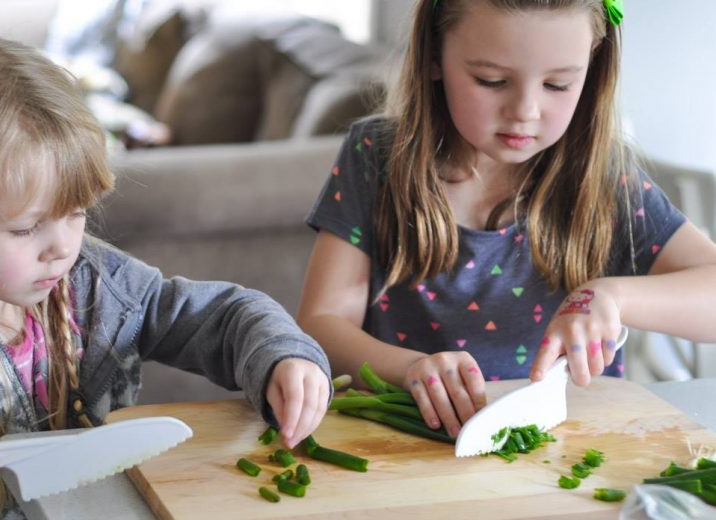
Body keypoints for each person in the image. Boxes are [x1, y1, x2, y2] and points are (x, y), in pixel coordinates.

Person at [0, 35, 331, 519]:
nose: (63, 246)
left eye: (77, 212)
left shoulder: (94, 282)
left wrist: (280, 352)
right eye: (26, 228)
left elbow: (219, 315)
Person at [298, 0, 716, 440]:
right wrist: (410, 369)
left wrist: (613, 297)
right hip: (405, 447)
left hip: (568, 449)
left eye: (558, 84)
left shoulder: (602, 178)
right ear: (434, 57)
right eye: (491, 81)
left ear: (592, 65)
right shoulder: (377, 157)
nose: (525, 111)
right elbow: (322, 323)